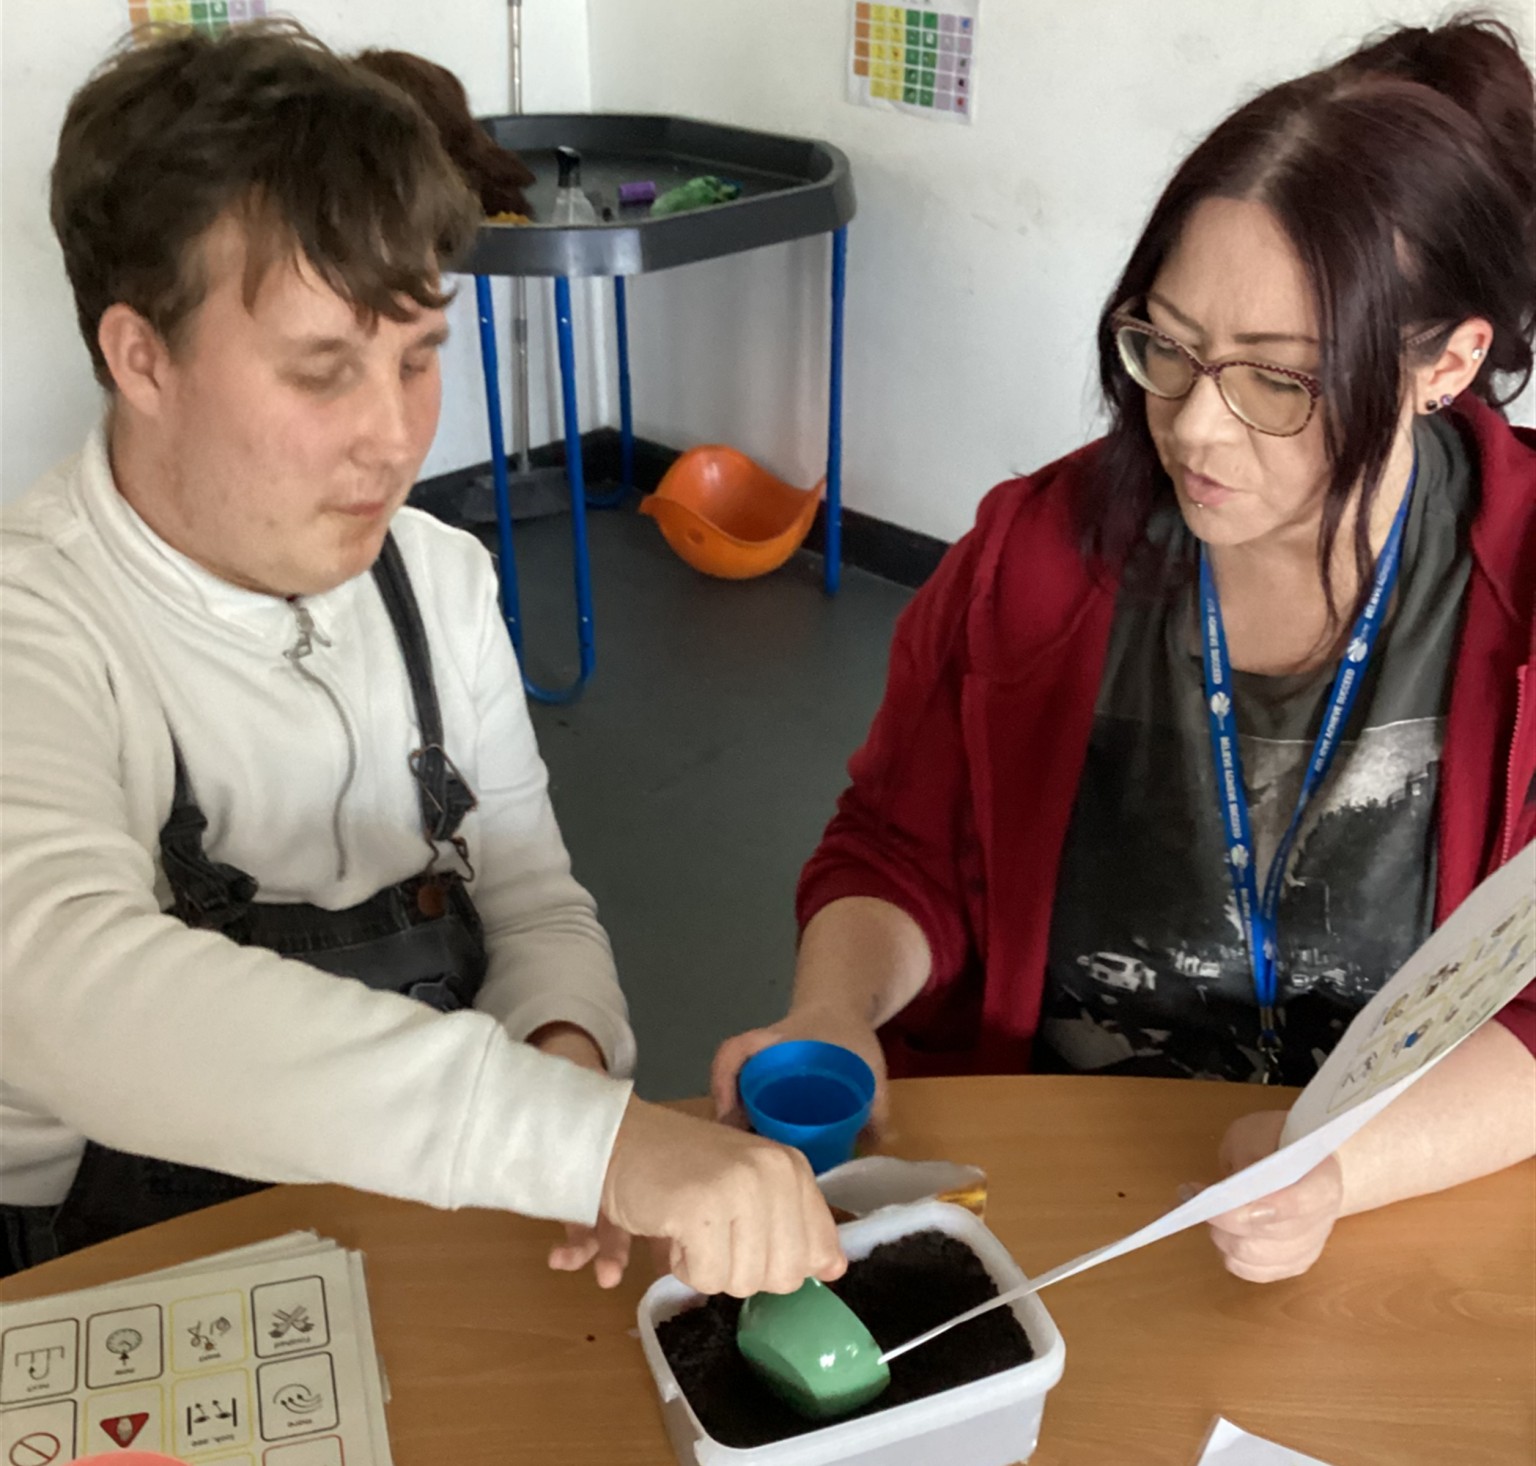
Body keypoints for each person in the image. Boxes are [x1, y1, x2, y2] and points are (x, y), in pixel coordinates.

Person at [0, 21, 845, 1300]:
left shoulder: (439, 580)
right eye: (323, 371)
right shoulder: (38, 620)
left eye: (419, 356)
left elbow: (532, 899)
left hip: (425, 1213)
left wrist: (562, 1057)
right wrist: (584, 1141)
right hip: (117, 1279)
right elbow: (66, 990)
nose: (395, 438)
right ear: (141, 357)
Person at [713, 16, 1536, 1283]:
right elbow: (899, 850)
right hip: (1058, 1196)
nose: (1195, 427)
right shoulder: (1035, 557)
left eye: (1278, 382)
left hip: (1399, 1218)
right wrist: (835, 1008)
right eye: (1168, 345)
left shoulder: (1516, 588)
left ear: (1449, 362)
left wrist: (1340, 1170)